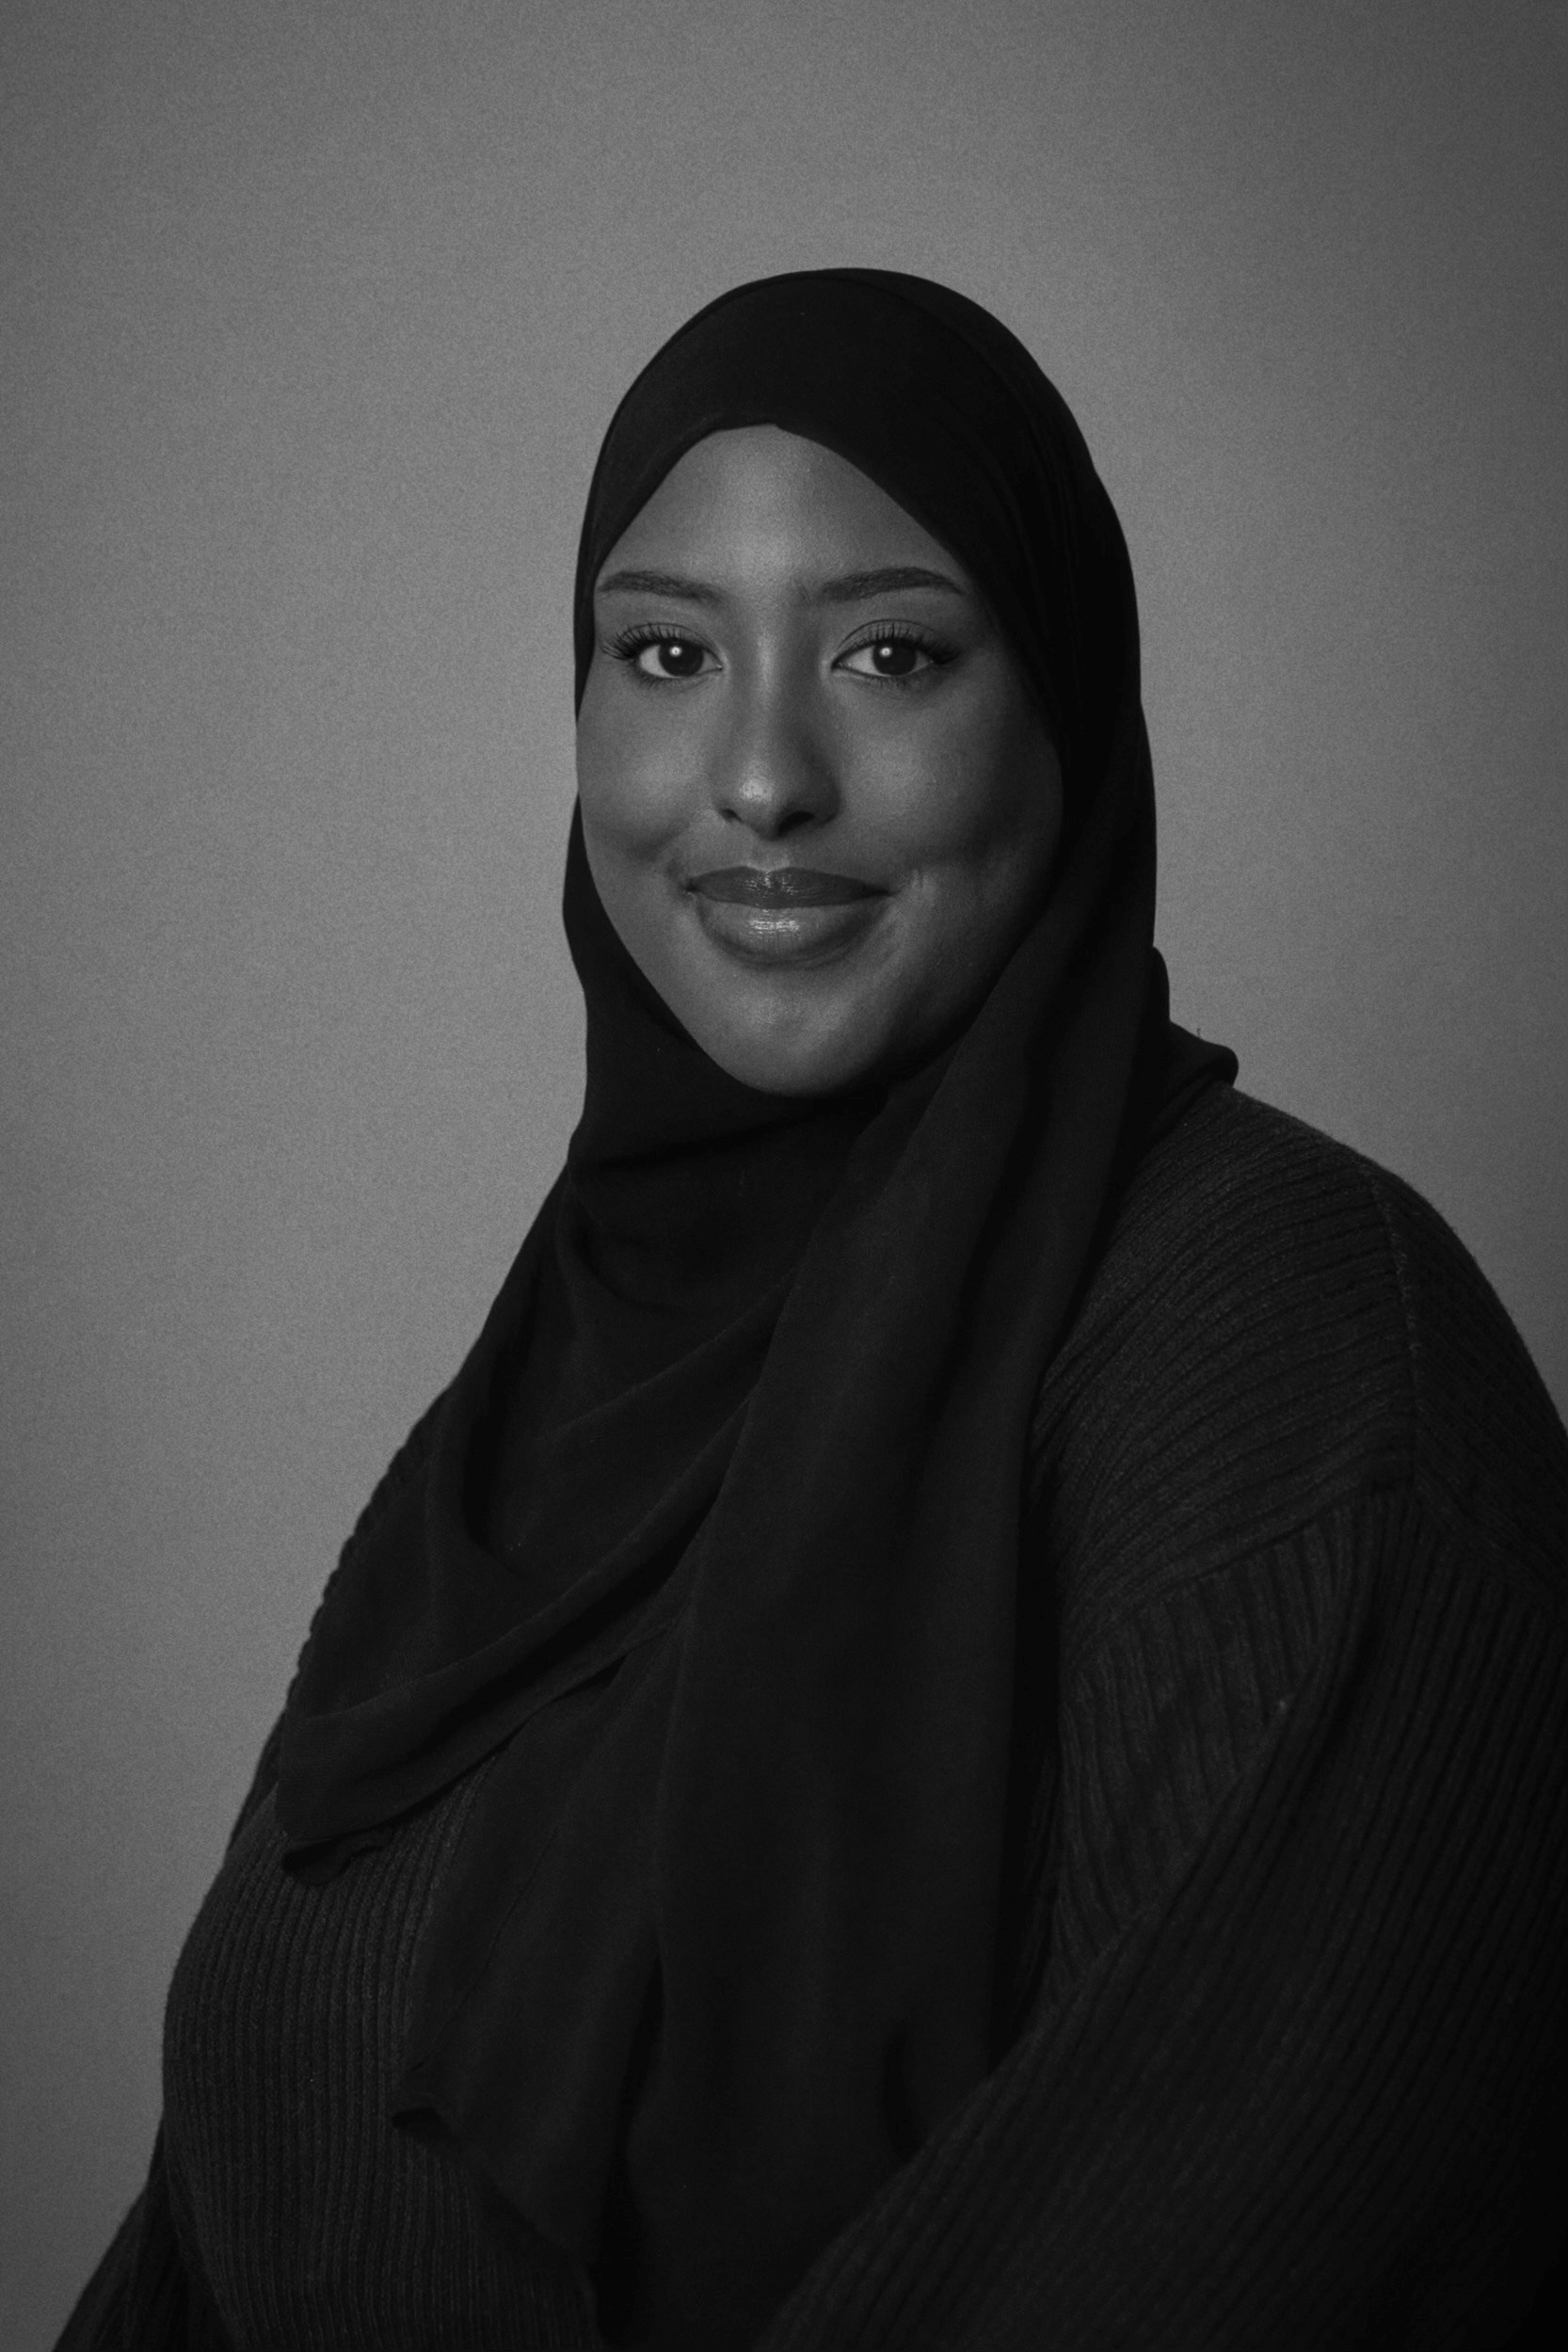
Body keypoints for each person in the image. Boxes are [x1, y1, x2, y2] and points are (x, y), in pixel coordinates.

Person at [58, 270, 1566, 2352]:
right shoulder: (564, 1395)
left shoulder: (1297, 1353)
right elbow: (228, 2209)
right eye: (663, 650)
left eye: (888, 651)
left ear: (1063, 702)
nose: (757, 776)